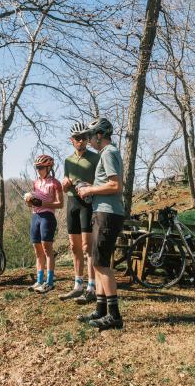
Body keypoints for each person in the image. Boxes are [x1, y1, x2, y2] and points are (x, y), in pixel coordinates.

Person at [76, 117, 125, 330]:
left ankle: (114, 316)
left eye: (90, 136)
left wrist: (89, 190)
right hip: (102, 212)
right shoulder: (106, 154)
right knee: (97, 261)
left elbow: (116, 185)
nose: (87, 140)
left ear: (99, 135)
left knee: (101, 264)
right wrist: (91, 186)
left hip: (108, 214)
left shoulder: (109, 152)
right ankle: (101, 310)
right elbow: (107, 183)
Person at [58, 122, 100, 303]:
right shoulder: (68, 160)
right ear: (71, 140)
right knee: (74, 247)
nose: (81, 141)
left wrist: (92, 187)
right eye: (77, 138)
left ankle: (92, 287)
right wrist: (64, 183)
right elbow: (66, 181)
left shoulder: (95, 158)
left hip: (88, 204)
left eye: (84, 137)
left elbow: (101, 183)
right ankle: (78, 285)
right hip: (72, 202)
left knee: (87, 247)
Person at [26, 154, 64, 294]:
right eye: (37, 167)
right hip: (35, 216)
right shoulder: (35, 182)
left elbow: (60, 204)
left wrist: (43, 203)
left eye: (41, 167)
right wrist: (30, 201)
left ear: (48, 167)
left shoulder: (55, 183)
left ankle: (49, 282)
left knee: (47, 249)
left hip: (47, 216)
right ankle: (39, 280)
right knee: (37, 250)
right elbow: (32, 204)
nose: (38, 170)